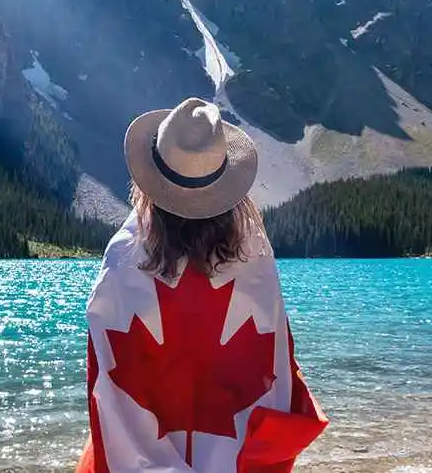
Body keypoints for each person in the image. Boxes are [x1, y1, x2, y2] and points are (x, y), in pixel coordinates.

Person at [76, 98, 327, 473]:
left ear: (150, 179)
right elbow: (277, 363)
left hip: (136, 453)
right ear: (224, 184)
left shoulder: (124, 257)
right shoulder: (254, 255)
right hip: (234, 455)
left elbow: (107, 382)